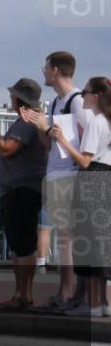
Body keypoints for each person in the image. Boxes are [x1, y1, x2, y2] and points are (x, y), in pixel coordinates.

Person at [22, 51, 88, 311]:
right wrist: (41, 126)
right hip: (57, 172)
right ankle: (65, 292)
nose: (44, 72)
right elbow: (48, 145)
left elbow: (85, 141)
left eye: (46, 68)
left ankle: (70, 293)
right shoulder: (55, 103)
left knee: (68, 237)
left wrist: (47, 129)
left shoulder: (77, 101)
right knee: (64, 237)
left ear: (56, 70)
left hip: (70, 172)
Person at [0, 78, 47, 310]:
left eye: (13, 95)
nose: (10, 98)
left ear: (19, 99)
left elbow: (6, 149)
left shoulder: (27, 121)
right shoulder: (27, 119)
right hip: (17, 188)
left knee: (23, 245)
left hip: (22, 189)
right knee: (18, 245)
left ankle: (24, 296)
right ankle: (21, 294)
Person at [50, 76, 111, 317]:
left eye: (85, 92)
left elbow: (85, 161)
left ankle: (92, 305)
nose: (82, 96)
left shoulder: (96, 122)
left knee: (88, 242)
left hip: (92, 179)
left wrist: (63, 140)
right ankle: (104, 303)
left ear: (96, 96)